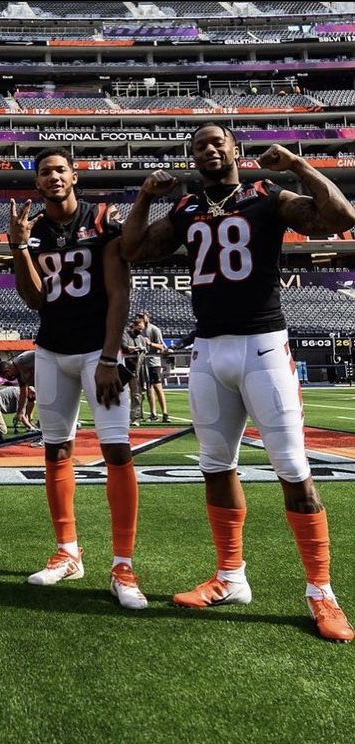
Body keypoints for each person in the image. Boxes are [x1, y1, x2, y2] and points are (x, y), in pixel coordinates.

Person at [120, 123, 355, 641]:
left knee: (294, 470)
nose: (207, 149)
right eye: (198, 145)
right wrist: (143, 195)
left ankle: (321, 591)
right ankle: (230, 576)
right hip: (208, 349)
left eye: (216, 141)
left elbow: (341, 217)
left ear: (236, 150)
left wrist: (297, 164)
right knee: (215, 465)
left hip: (263, 346)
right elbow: (133, 249)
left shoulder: (267, 194)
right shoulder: (184, 209)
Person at [8, 146, 147, 610]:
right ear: (38, 183)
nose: (53, 177)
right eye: (45, 171)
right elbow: (34, 299)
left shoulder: (101, 217)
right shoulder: (37, 230)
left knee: (116, 449)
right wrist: (19, 247)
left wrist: (110, 356)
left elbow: (118, 289)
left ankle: (123, 563)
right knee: (56, 448)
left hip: (96, 352)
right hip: (51, 349)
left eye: (60, 169)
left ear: (74, 176)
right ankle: (69, 551)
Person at [136, 310, 170, 423]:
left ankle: (165, 413)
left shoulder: (154, 329)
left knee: (157, 387)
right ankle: (153, 413)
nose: (140, 318)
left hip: (153, 362)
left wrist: (150, 343)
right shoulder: (139, 330)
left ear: (147, 318)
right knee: (148, 389)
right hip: (143, 362)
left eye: (142, 316)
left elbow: (161, 346)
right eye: (139, 317)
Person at [0, 349, 37, 431]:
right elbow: (23, 393)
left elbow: (44, 357)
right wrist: (19, 412)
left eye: (7, 376)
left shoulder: (22, 360)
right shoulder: (19, 375)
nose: (9, 379)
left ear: (8, 370)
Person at [121, 316, 148, 426]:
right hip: (124, 368)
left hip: (136, 369)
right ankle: (121, 417)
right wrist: (133, 349)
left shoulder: (141, 338)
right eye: (139, 328)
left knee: (136, 395)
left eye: (142, 329)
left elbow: (145, 351)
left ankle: (135, 418)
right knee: (122, 394)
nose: (141, 331)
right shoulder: (125, 335)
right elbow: (124, 347)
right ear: (134, 326)